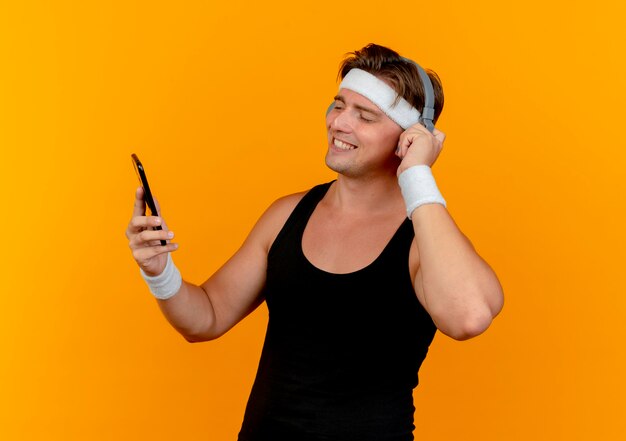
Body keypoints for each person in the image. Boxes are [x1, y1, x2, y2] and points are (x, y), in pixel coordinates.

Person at [125, 43, 504, 441]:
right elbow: (206, 318)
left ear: (410, 138)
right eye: (339, 105)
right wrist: (159, 272)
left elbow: (469, 317)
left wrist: (418, 174)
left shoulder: (423, 239)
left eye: (365, 115)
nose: (340, 123)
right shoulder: (286, 215)